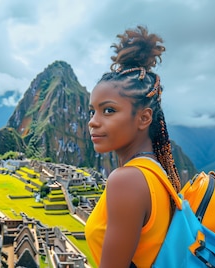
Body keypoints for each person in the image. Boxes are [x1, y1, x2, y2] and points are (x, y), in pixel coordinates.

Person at [84, 25, 182, 268]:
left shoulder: (127, 180)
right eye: (92, 111)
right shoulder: (155, 173)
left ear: (144, 118)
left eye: (109, 110)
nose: (93, 122)